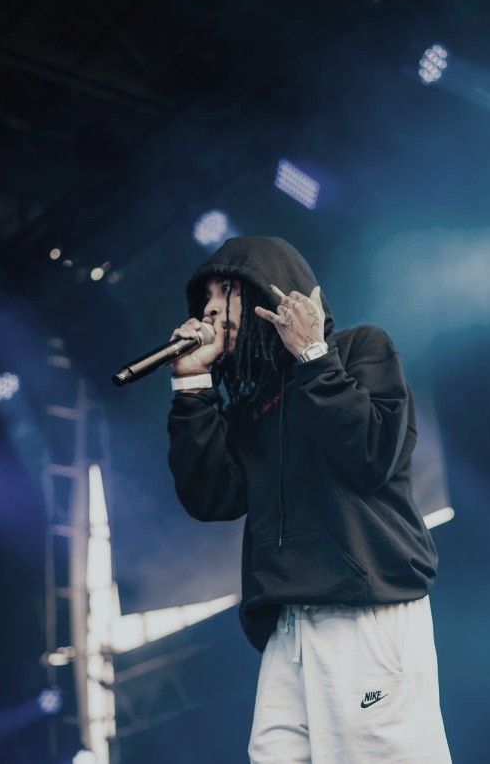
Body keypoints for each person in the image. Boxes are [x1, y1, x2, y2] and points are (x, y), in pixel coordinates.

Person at [167, 235, 451, 763]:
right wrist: (192, 384)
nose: (207, 308)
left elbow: (371, 454)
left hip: (364, 610)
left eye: (224, 289)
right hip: (289, 628)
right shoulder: (253, 407)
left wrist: (313, 356)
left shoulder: (360, 349)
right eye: (202, 297)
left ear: (269, 293)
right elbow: (210, 496)